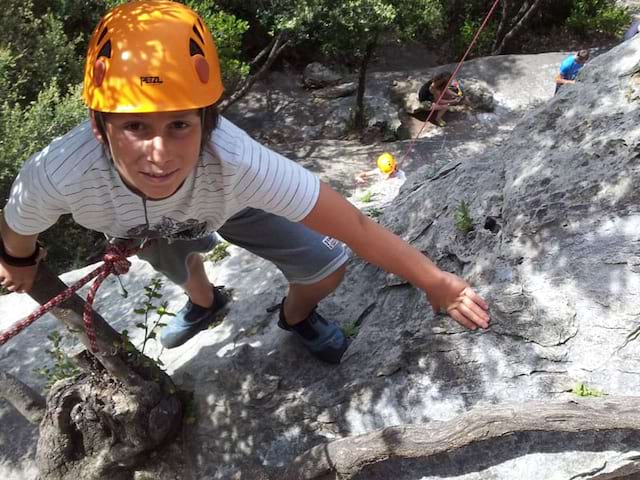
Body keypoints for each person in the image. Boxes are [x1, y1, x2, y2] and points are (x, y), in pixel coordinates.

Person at [0, 1, 490, 365]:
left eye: (179, 125)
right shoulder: (61, 172)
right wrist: (17, 261)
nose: (160, 154)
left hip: (230, 201)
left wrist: (436, 282)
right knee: (178, 261)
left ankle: (295, 317)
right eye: (135, 127)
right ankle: (204, 303)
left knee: (325, 268)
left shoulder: (237, 162)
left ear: (208, 121)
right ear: (99, 125)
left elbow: (354, 226)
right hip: (134, 224)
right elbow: (19, 225)